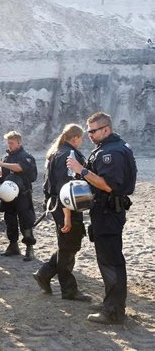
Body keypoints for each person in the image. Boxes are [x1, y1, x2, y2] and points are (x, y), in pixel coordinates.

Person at [67, 112, 137, 325]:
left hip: (108, 213)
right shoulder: (110, 148)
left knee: (111, 262)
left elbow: (108, 185)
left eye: (93, 131)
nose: (89, 135)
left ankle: (114, 312)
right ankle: (111, 304)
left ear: (106, 129)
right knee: (108, 260)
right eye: (88, 131)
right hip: (106, 212)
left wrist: (82, 170)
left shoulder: (111, 152)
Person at [33, 124, 91, 302]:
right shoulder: (69, 155)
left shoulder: (58, 152)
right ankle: (68, 289)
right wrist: (67, 215)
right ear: (74, 138)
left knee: (68, 245)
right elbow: (65, 188)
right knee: (69, 247)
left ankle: (45, 273)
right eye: (80, 138)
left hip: (62, 205)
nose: (81, 142)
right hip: (66, 205)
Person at [0, 131, 38, 261]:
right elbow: (4, 173)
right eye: (8, 143)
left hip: (23, 194)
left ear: (19, 143)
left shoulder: (26, 157)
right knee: (10, 220)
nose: (9, 145)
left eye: (11, 143)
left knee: (26, 220)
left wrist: (2, 164)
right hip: (8, 195)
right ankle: (13, 245)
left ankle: (29, 248)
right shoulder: (6, 157)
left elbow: (19, 168)